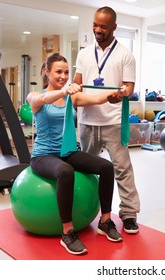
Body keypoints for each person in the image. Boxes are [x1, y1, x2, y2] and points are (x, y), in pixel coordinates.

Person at [27, 53, 128, 255]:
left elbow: (96, 98)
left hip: (68, 151)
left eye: (66, 72)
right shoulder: (34, 96)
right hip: (43, 156)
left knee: (106, 167)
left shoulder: (71, 97)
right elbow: (45, 98)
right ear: (47, 72)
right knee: (65, 171)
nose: (63, 76)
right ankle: (67, 232)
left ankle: (105, 221)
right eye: (58, 72)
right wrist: (64, 91)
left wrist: (116, 93)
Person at [74, 6, 140, 234]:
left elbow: (130, 88)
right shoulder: (83, 53)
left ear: (114, 27)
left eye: (103, 26)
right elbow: (77, 82)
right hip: (88, 121)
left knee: (122, 169)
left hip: (113, 121)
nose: (97, 29)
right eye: (95, 24)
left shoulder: (125, 55)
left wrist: (120, 93)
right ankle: (86, 210)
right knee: (85, 169)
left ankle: (129, 215)